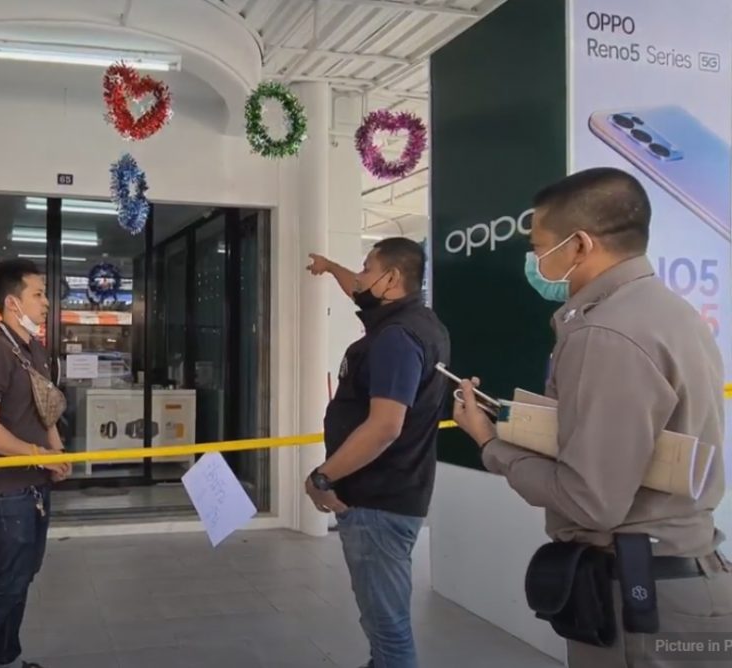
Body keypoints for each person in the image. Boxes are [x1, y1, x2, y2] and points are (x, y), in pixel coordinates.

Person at [453, 167, 730, 668]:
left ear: (579, 245)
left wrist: (491, 443)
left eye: (538, 248)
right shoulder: (675, 314)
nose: (535, 262)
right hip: (683, 581)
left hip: (641, 602)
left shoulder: (604, 333)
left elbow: (590, 501)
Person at [305, 238, 451, 668]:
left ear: (392, 279)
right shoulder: (419, 322)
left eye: (367, 268)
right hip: (394, 495)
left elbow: (385, 427)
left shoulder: (396, 339)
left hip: (378, 505)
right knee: (382, 622)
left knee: (388, 629)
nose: (359, 277)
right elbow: (356, 288)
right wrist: (329, 266)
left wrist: (322, 477)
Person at [0, 258, 70, 668]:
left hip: (35, 484)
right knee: (8, 581)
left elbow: (46, 411)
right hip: (6, 490)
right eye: (38, 294)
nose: (46, 302)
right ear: (12, 302)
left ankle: (7, 656)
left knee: (24, 574)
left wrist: (57, 453)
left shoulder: (35, 350)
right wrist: (39, 455)